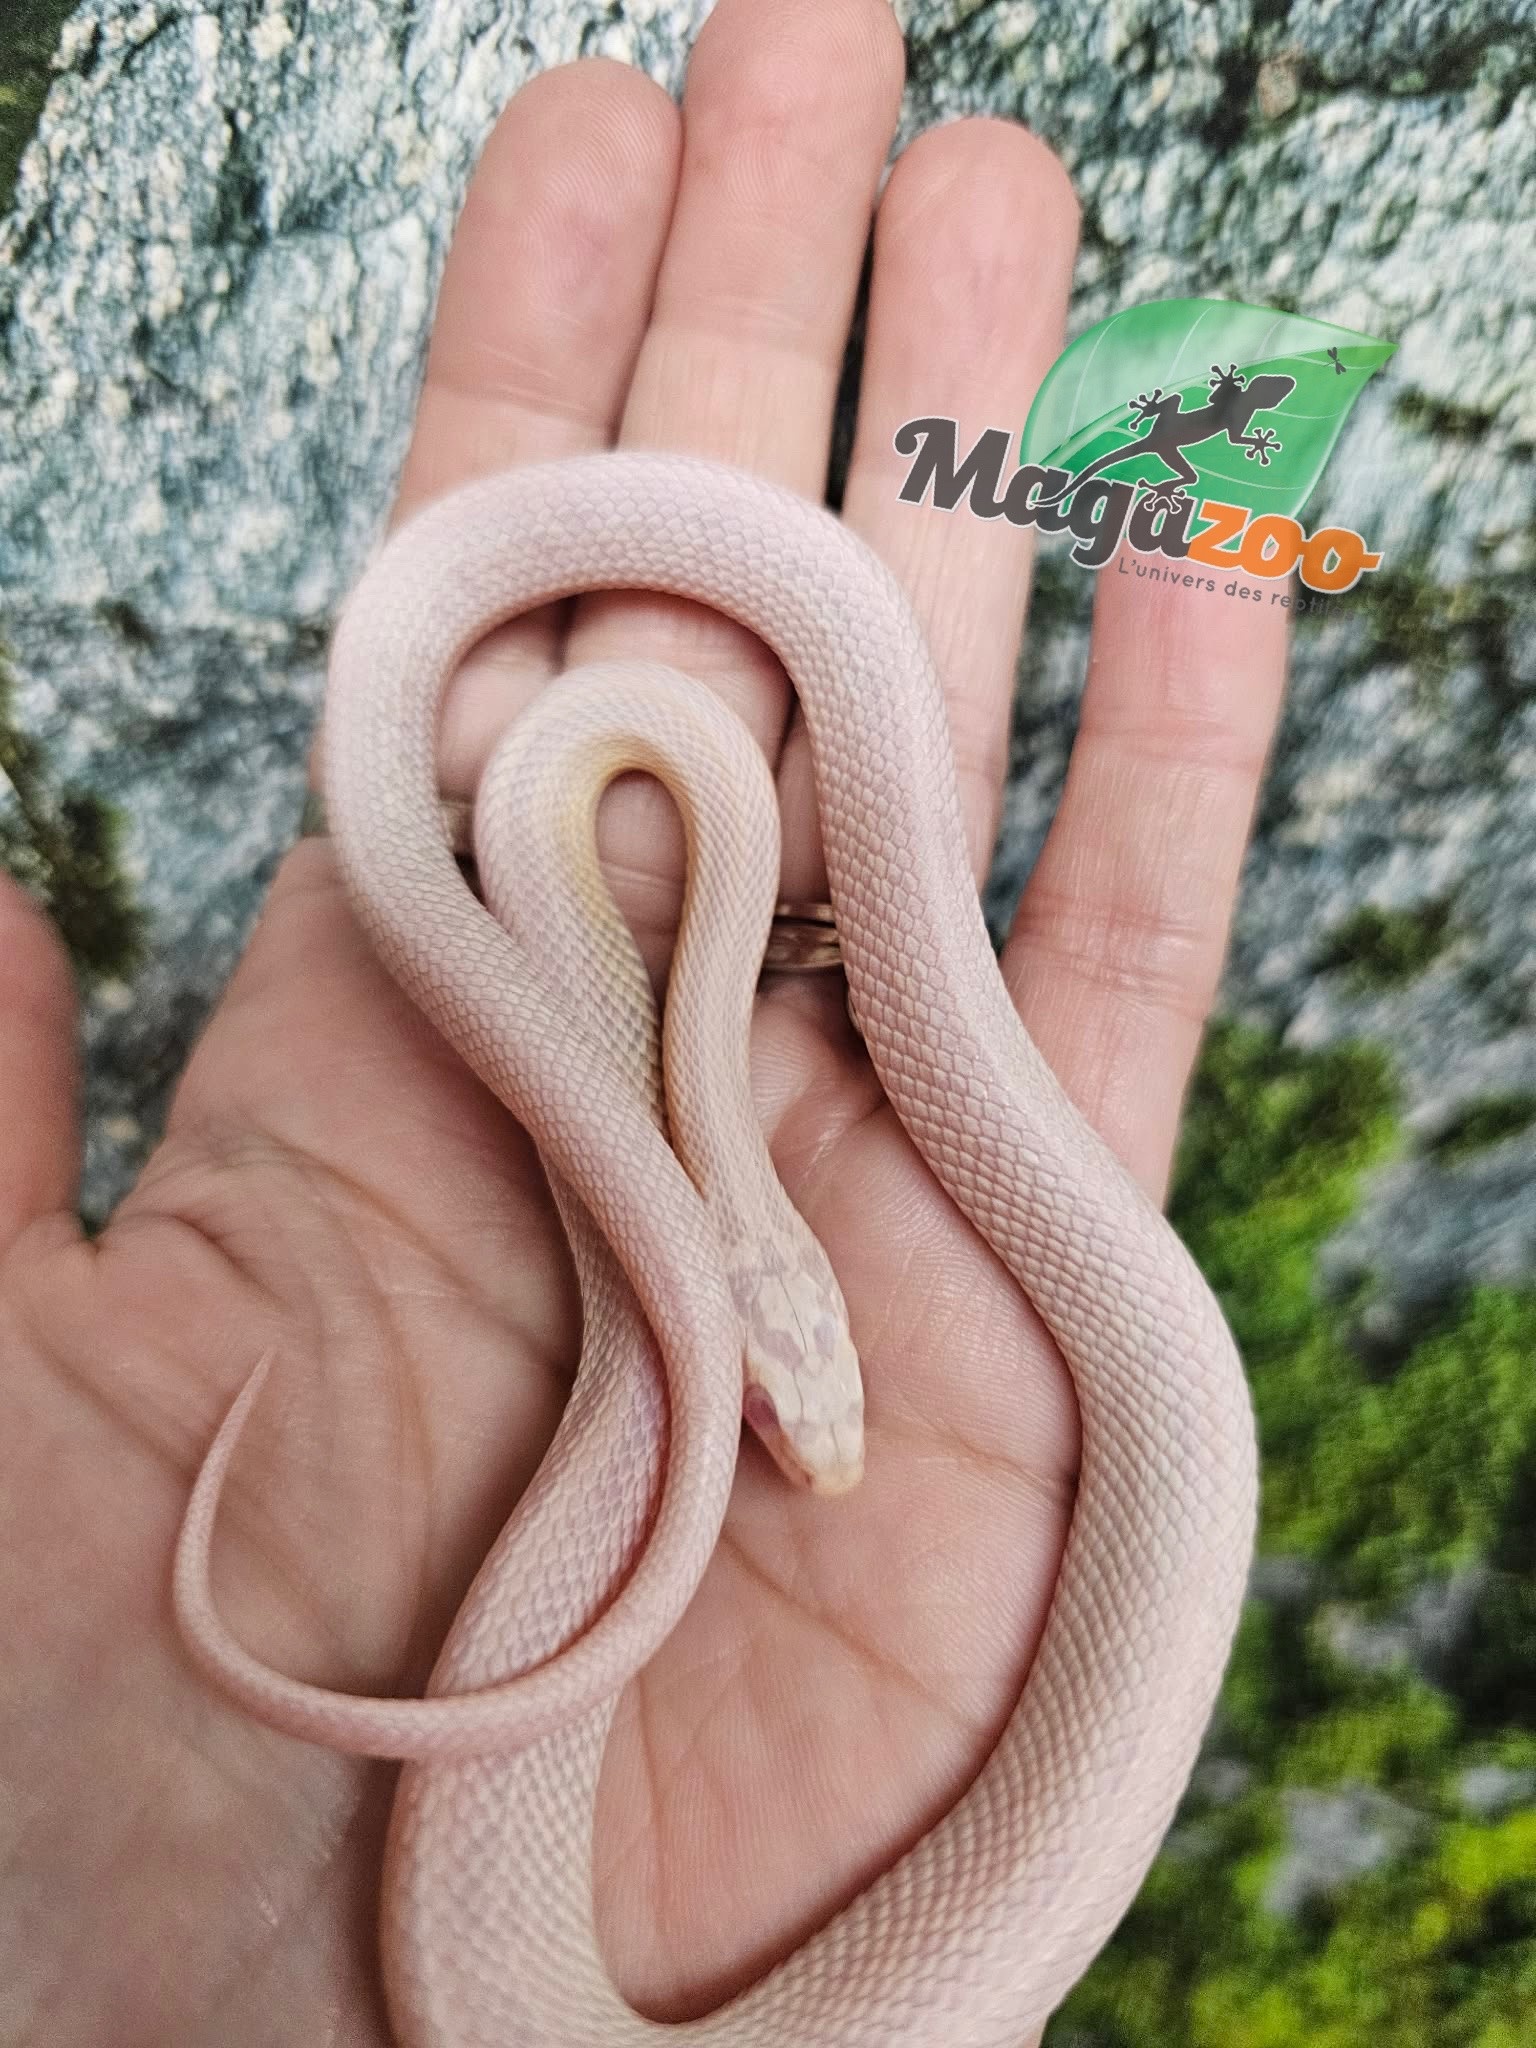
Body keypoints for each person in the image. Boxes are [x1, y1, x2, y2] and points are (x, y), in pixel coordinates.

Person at [0, 0, 1286, 2037]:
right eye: (776, 1403)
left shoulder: (661, 1036)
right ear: (769, 1294)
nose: (782, 1439)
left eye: (776, 1404)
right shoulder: (602, 962)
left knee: (1167, 1415)